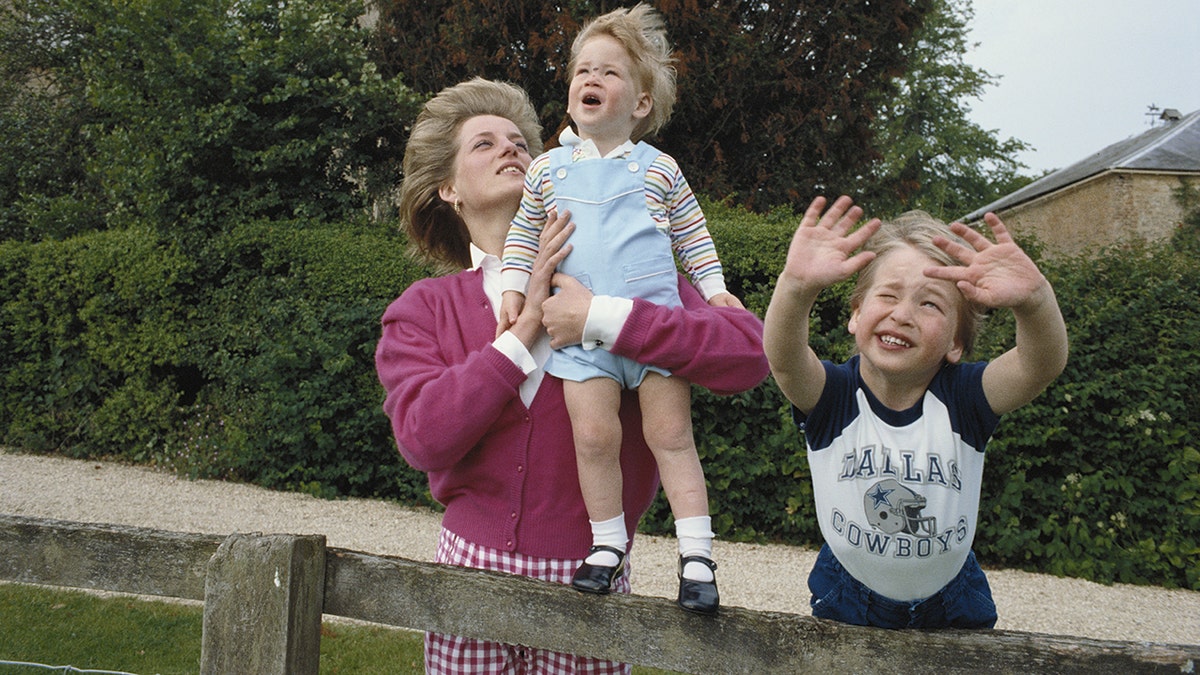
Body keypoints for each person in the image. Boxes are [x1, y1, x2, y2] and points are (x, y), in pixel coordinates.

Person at [375, 77, 767, 673]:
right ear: (448, 189)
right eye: (484, 144)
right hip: (464, 581)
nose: (511, 148)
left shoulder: (635, 281)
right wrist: (526, 325)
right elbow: (425, 437)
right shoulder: (424, 308)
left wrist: (605, 318)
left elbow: (749, 355)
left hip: (591, 588)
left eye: (519, 142)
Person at [496, 3, 738, 614]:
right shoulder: (548, 169)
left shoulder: (660, 169)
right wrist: (514, 292)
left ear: (640, 104)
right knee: (595, 437)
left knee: (671, 436)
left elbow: (692, 235)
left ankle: (697, 555)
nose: (590, 80)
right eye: (582, 71)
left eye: (608, 72)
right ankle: (607, 546)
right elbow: (524, 236)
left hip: (654, 334)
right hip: (581, 342)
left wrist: (713, 291)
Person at [763, 196, 1068, 629]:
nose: (902, 314)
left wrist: (1035, 302)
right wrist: (795, 287)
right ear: (856, 315)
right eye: (887, 295)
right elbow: (784, 358)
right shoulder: (834, 396)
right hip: (849, 591)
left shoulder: (966, 398)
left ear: (956, 344)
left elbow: (1040, 365)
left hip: (952, 596)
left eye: (930, 305)